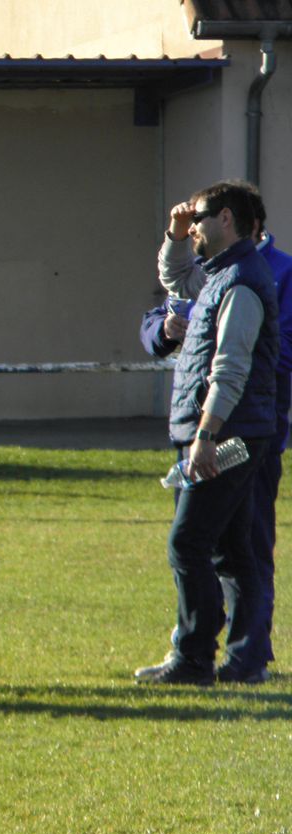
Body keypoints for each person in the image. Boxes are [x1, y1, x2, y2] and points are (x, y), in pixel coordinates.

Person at [137, 182, 292, 683]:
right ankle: (239, 661)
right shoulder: (223, 273)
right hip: (233, 429)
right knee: (230, 548)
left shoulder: (243, 281)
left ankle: (195, 655)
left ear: (227, 218)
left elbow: (230, 368)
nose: (195, 228)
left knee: (189, 543)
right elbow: (176, 277)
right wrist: (175, 233)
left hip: (229, 433)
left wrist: (206, 434)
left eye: (200, 218)